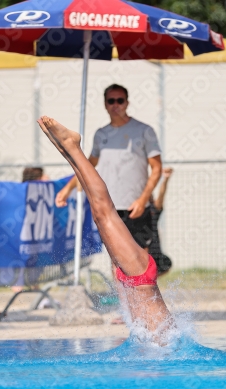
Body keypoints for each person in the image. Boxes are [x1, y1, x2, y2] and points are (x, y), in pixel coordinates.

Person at [38, 116, 174, 341]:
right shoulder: (168, 345)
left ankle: (67, 148)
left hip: (136, 281)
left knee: (99, 212)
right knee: (104, 211)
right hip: (141, 279)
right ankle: (72, 146)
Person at [55, 84, 162, 322]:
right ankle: (128, 311)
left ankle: (145, 309)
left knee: (141, 261)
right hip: (110, 208)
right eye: (111, 101)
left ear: (127, 102)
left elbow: (157, 168)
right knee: (117, 262)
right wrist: (67, 189)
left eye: (120, 100)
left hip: (136, 206)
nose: (116, 105)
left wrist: (144, 198)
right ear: (105, 104)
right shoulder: (101, 134)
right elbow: (87, 165)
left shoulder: (144, 131)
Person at [149, 168, 173, 276]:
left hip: (154, 250)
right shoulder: (133, 212)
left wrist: (166, 179)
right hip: (142, 249)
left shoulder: (153, 211)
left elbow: (161, 195)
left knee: (166, 264)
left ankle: (151, 282)